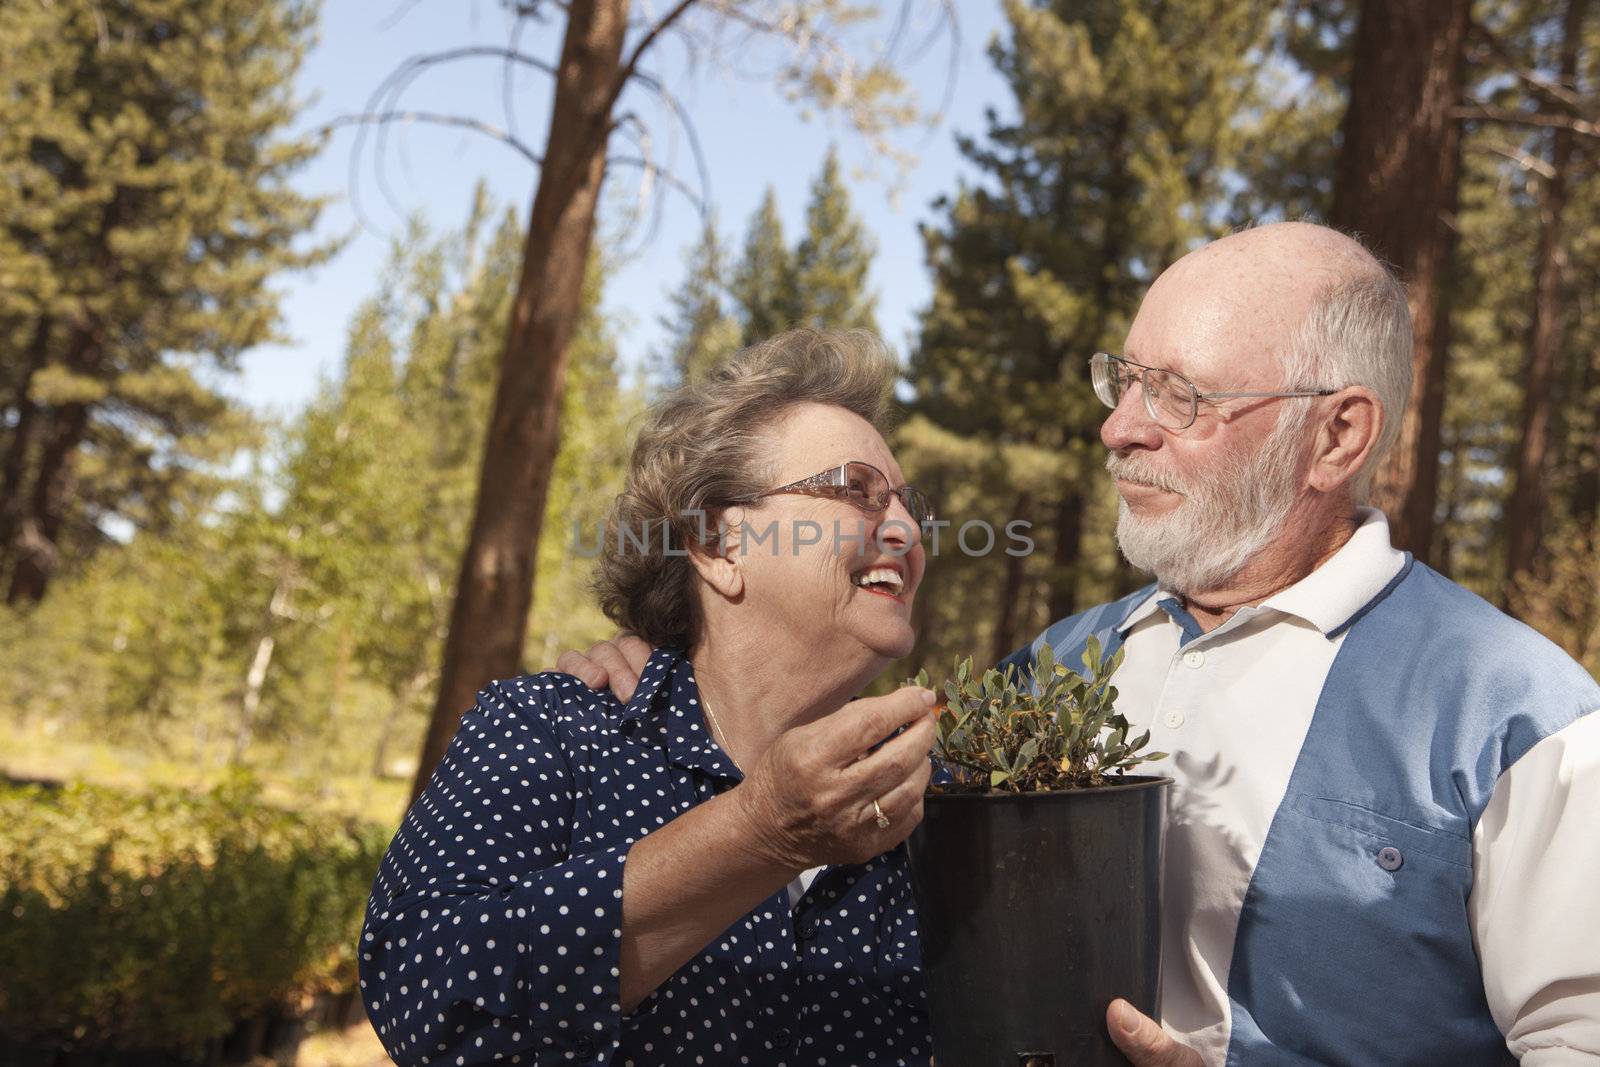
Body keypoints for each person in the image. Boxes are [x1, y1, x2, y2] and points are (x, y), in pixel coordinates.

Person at [563, 222, 1600, 1066]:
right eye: (1125, 380)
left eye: (1180, 395)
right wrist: (674, 649)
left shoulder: (1516, 711)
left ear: (1335, 436)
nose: (1119, 428)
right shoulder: (1052, 674)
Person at [359, 330, 945, 1066]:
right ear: (716, 545)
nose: (904, 528)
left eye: (905, 502)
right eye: (856, 489)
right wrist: (760, 833)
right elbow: (425, 993)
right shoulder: (554, 728)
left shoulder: (950, 796)